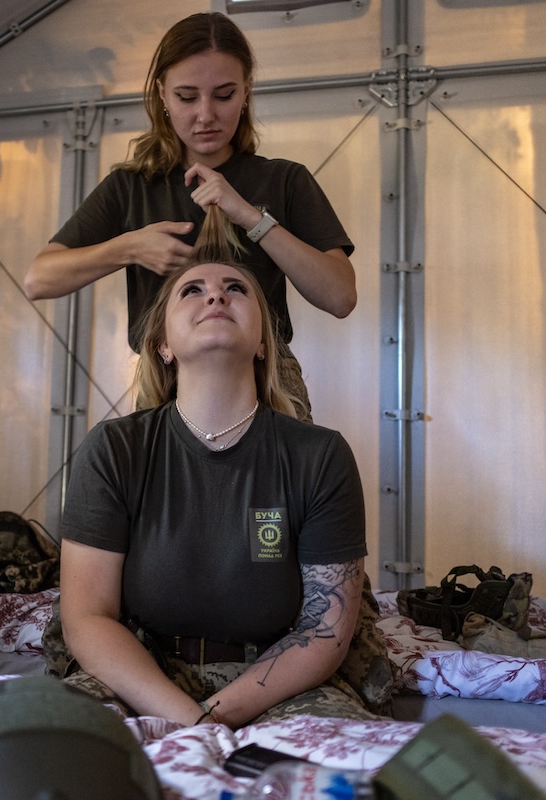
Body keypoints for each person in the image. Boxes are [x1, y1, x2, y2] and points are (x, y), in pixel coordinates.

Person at [46, 212, 392, 728]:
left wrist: (219, 716)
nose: (215, 296)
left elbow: (325, 630)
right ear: (162, 344)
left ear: (261, 344)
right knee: (55, 748)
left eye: (236, 288)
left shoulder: (320, 457)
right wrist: (188, 720)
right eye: (191, 291)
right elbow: (88, 619)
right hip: (144, 672)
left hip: (277, 679)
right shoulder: (114, 449)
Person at [23, 11, 356, 421]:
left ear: (247, 91)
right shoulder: (132, 187)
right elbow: (40, 278)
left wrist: (253, 219)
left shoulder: (285, 181)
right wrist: (130, 247)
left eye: (224, 94)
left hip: (267, 388)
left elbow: (340, 296)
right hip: (165, 387)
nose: (205, 115)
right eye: (186, 96)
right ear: (161, 94)